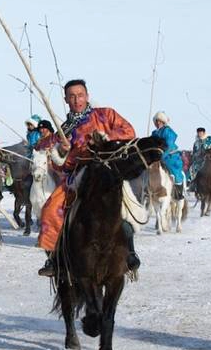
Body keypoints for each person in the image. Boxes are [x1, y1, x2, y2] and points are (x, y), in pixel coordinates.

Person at [37, 79, 137, 277]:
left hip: (108, 170)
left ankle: (130, 253)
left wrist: (103, 138)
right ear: (66, 99)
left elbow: (129, 131)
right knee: (50, 210)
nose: (77, 100)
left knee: (124, 207)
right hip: (79, 174)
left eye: (80, 95)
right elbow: (61, 165)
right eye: (72, 96)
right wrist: (62, 152)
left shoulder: (105, 114)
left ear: (87, 96)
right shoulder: (63, 130)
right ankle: (55, 258)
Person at [151, 111, 184, 199]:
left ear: (163, 122)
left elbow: (169, 145)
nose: (158, 123)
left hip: (170, 156)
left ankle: (178, 193)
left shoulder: (168, 131)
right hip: (156, 156)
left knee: (174, 172)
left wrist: (162, 155)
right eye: (156, 121)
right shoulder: (154, 133)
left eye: (160, 121)